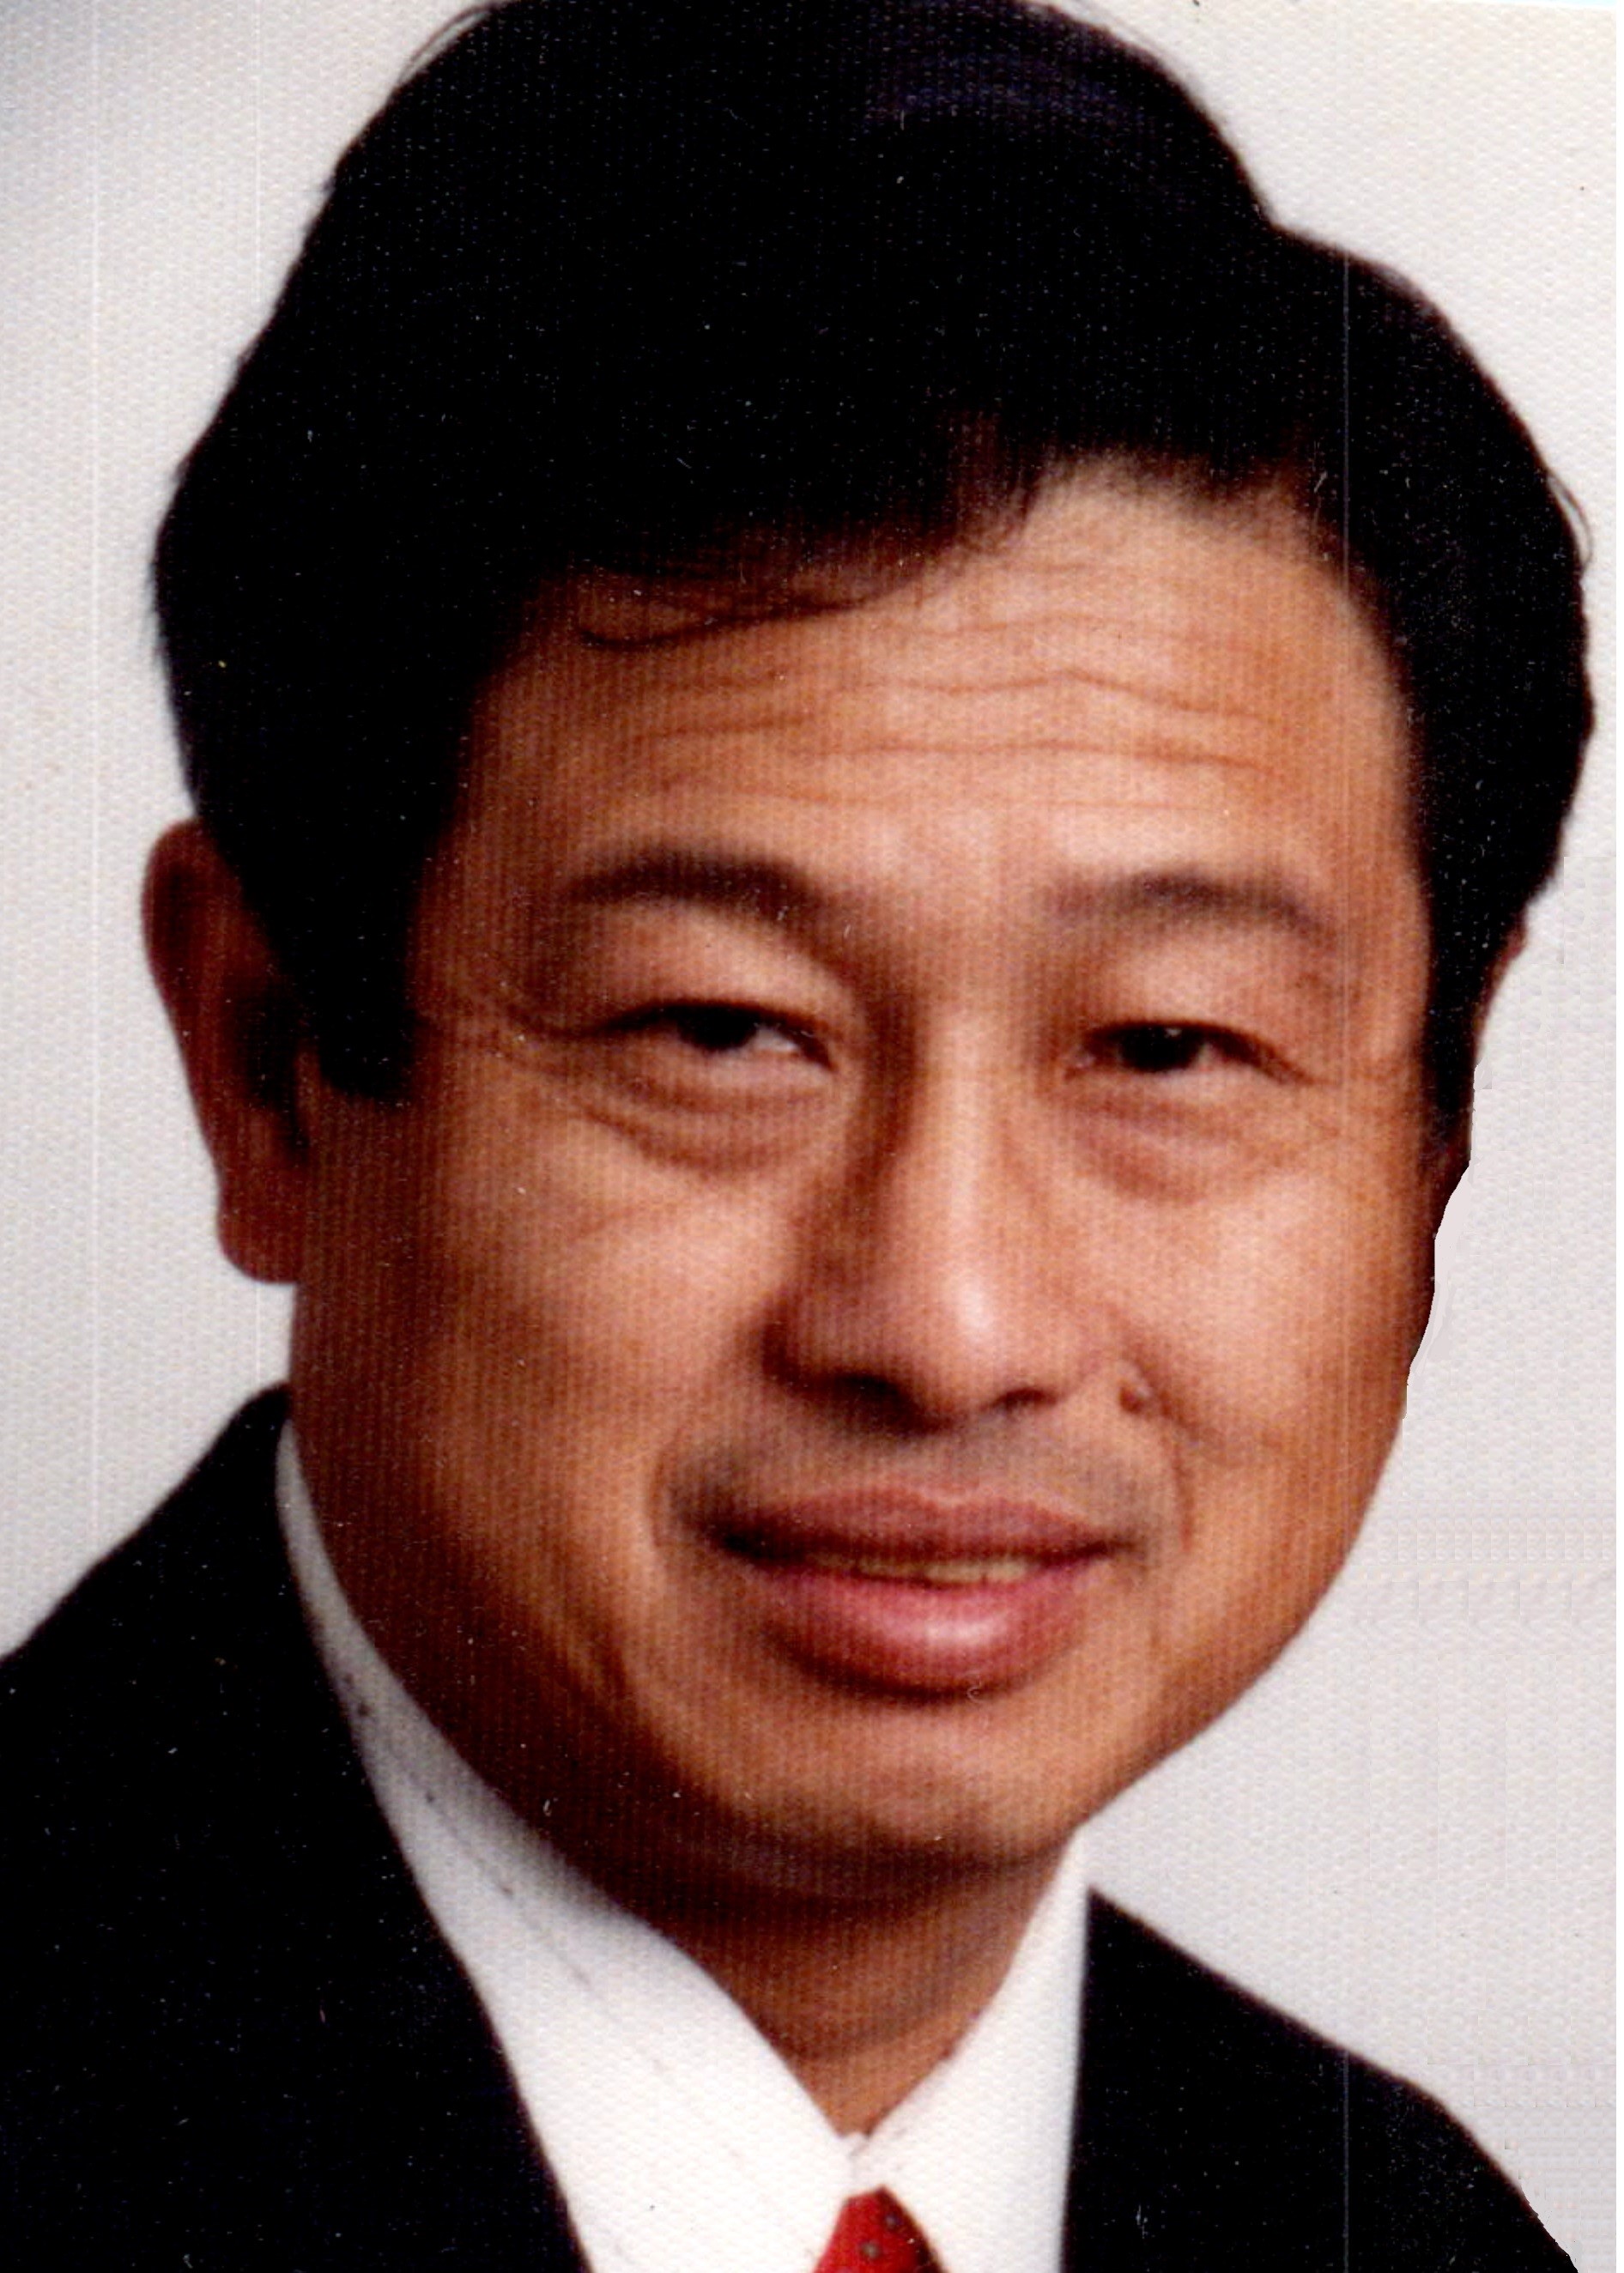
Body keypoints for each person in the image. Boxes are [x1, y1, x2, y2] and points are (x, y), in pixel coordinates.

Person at [0, 1, 1592, 2265]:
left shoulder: (1397, 2234)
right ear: (266, 1065)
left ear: (1437, 1129)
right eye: (725, 1030)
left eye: (1166, 1047)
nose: (950, 1330)